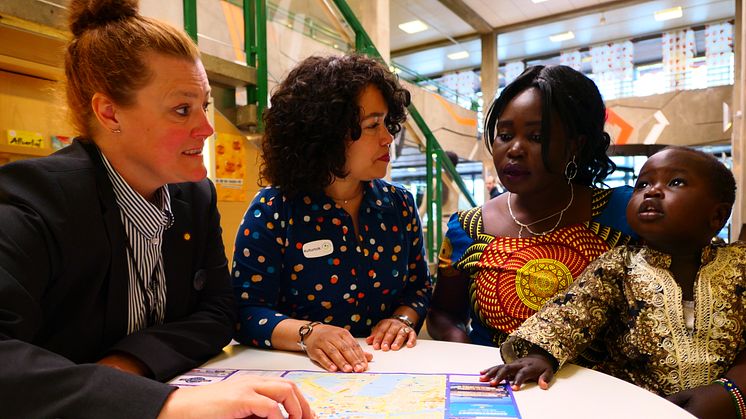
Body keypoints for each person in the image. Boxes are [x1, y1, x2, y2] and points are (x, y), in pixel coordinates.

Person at [0, 1, 313, 418]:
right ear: (109, 112)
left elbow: (219, 310)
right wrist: (162, 403)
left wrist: (129, 364)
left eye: (204, 105)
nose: (206, 128)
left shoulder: (195, 198)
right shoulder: (32, 200)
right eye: (182, 109)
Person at [482, 146, 746, 419]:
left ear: (717, 216)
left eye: (675, 182)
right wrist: (541, 356)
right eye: (642, 184)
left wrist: (733, 392)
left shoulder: (740, 264)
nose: (652, 191)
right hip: (635, 407)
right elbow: (573, 312)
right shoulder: (618, 265)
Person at [232, 54, 432, 373]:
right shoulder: (273, 210)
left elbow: (419, 287)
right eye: (371, 126)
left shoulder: (400, 205)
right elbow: (246, 311)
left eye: (386, 122)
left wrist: (401, 319)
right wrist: (309, 334)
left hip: (385, 370)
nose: (388, 138)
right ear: (325, 135)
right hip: (299, 374)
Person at [427, 65, 637, 364]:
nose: (514, 149)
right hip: (494, 387)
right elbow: (444, 314)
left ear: (575, 146)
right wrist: (468, 355)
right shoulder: (468, 227)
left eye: (537, 137)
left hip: (596, 393)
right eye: (504, 135)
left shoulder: (625, 213)